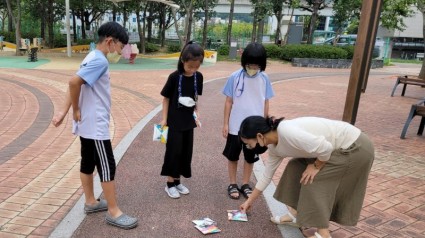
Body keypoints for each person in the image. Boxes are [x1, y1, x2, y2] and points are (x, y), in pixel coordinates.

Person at [52, 22, 138, 229]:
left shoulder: (90, 56)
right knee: (107, 165)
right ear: (110, 41)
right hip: (96, 124)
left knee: (88, 161)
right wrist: (73, 110)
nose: (120, 52)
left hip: (87, 124)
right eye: (120, 47)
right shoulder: (100, 61)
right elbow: (74, 83)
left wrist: (65, 112)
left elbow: (74, 82)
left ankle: (90, 201)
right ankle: (114, 212)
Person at [238, 116, 375, 238]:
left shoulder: (288, 133)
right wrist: (249, 201)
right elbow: (266, 176)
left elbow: (325, 148)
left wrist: (315, 166)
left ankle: (323, 234)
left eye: (248, 143)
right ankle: (294, 215)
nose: (249, 147)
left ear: (260, 136)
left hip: (355, 147)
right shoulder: (274, 148)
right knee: (295, 166)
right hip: (337, 147)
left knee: (313, 179)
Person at [222, 42, 274, 200]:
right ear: (244, 61)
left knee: (250, 157)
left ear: (262, 64)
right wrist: (225, 123)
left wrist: (265, 125)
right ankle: (232, 183)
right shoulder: (235, 77)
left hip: (255, 129)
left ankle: (245, 183)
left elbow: (265, 101)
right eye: (250, 64)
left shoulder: (264, 78)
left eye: (257, 65)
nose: (253, 67)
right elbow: (228, 101)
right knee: (233, 156)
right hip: (235, 126)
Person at [159, 41, 204, 199]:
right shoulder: (174, 77)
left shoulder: (198, 77)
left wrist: (197, 115)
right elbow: (165, 99)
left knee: (186, 152)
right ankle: (169, 184)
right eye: (190, 66)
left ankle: (178, 181)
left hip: (188, 122)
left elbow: (195, 99)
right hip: (173, 122)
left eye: (196, 67)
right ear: (183, 61)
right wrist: (164, 119)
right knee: (173, 152)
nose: (193, 70)